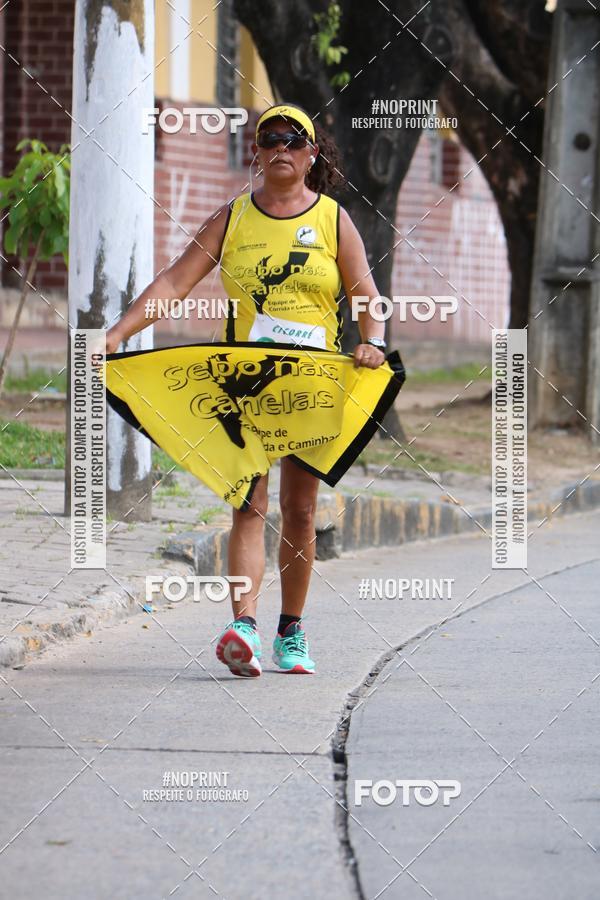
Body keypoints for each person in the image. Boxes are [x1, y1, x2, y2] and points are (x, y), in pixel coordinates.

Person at [105, 103, 388, 678]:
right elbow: (175, 282)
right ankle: (243, 627)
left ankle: (291, 631)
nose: (280, 146)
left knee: (301, 511)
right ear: (255, 152)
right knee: (248, 502)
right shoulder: (233, 217)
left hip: (313, 386)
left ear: (312, 154)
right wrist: (116, 334)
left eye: (293, 139)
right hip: (245, 386)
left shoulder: (334, 220)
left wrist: (372, 341)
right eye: (269, 138)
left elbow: (367, 296)